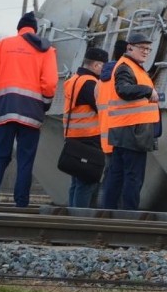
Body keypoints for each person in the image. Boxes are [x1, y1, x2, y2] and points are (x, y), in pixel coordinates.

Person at [0, 11, 58, 207]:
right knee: (25, 160)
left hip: (5, 108)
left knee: (0, 157)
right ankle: (21, 203)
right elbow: (49, 83)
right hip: (32, 112)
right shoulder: (46, 50)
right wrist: (45, 104)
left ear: (18, 29)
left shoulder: (1, 46)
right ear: (35, 30)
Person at [102, 33, 160, 210]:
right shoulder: (126, 67)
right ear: (130, 48)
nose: (146, 52)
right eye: (142, 48)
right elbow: (123, 90)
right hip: (132, 132)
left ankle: (109, 213)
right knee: (133, 177)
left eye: (148, 49)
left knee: (117, 175)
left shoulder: (133, 67)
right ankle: (129, 215)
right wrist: (147, 91)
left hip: (126, 130)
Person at [63, 46, 109, 208]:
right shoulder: (91, 83)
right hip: (89, 138)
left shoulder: (74, 80)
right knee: (87, 183)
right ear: (96, 65)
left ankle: (72, 217)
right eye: (103, 66)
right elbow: (102, 108)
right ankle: (79, 220)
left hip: (74, 136)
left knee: (76, 183)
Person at [95, 38, 128, 208]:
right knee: (120, 178)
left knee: (108, 175)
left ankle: (105, 211)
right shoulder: (125, 75)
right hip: (121, 136)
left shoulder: (100, 80)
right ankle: (115, 214)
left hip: (105, 135)